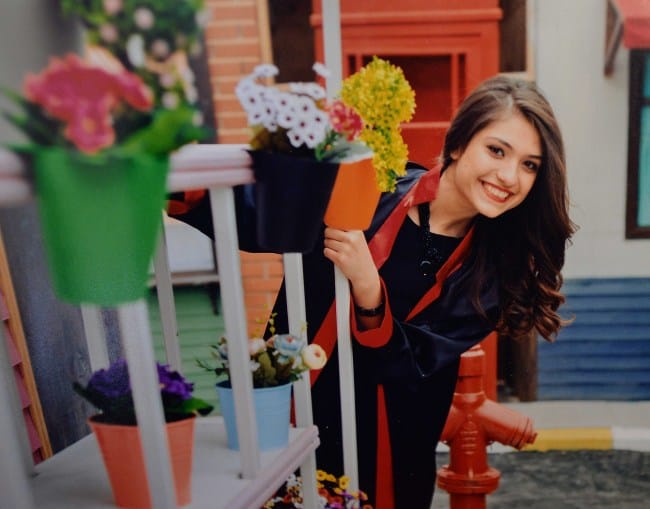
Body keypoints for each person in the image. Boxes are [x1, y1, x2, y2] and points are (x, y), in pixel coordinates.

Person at [169, 75, 576, 509]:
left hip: (385, 445)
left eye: (530, 165)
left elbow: (415, 364)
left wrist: (368, 290)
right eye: (497, 150)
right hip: (294, 407)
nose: (509, 175)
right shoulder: (376, 184)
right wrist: (171, 177)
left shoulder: (497, 271)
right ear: (458, 144)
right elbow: (270, 213)